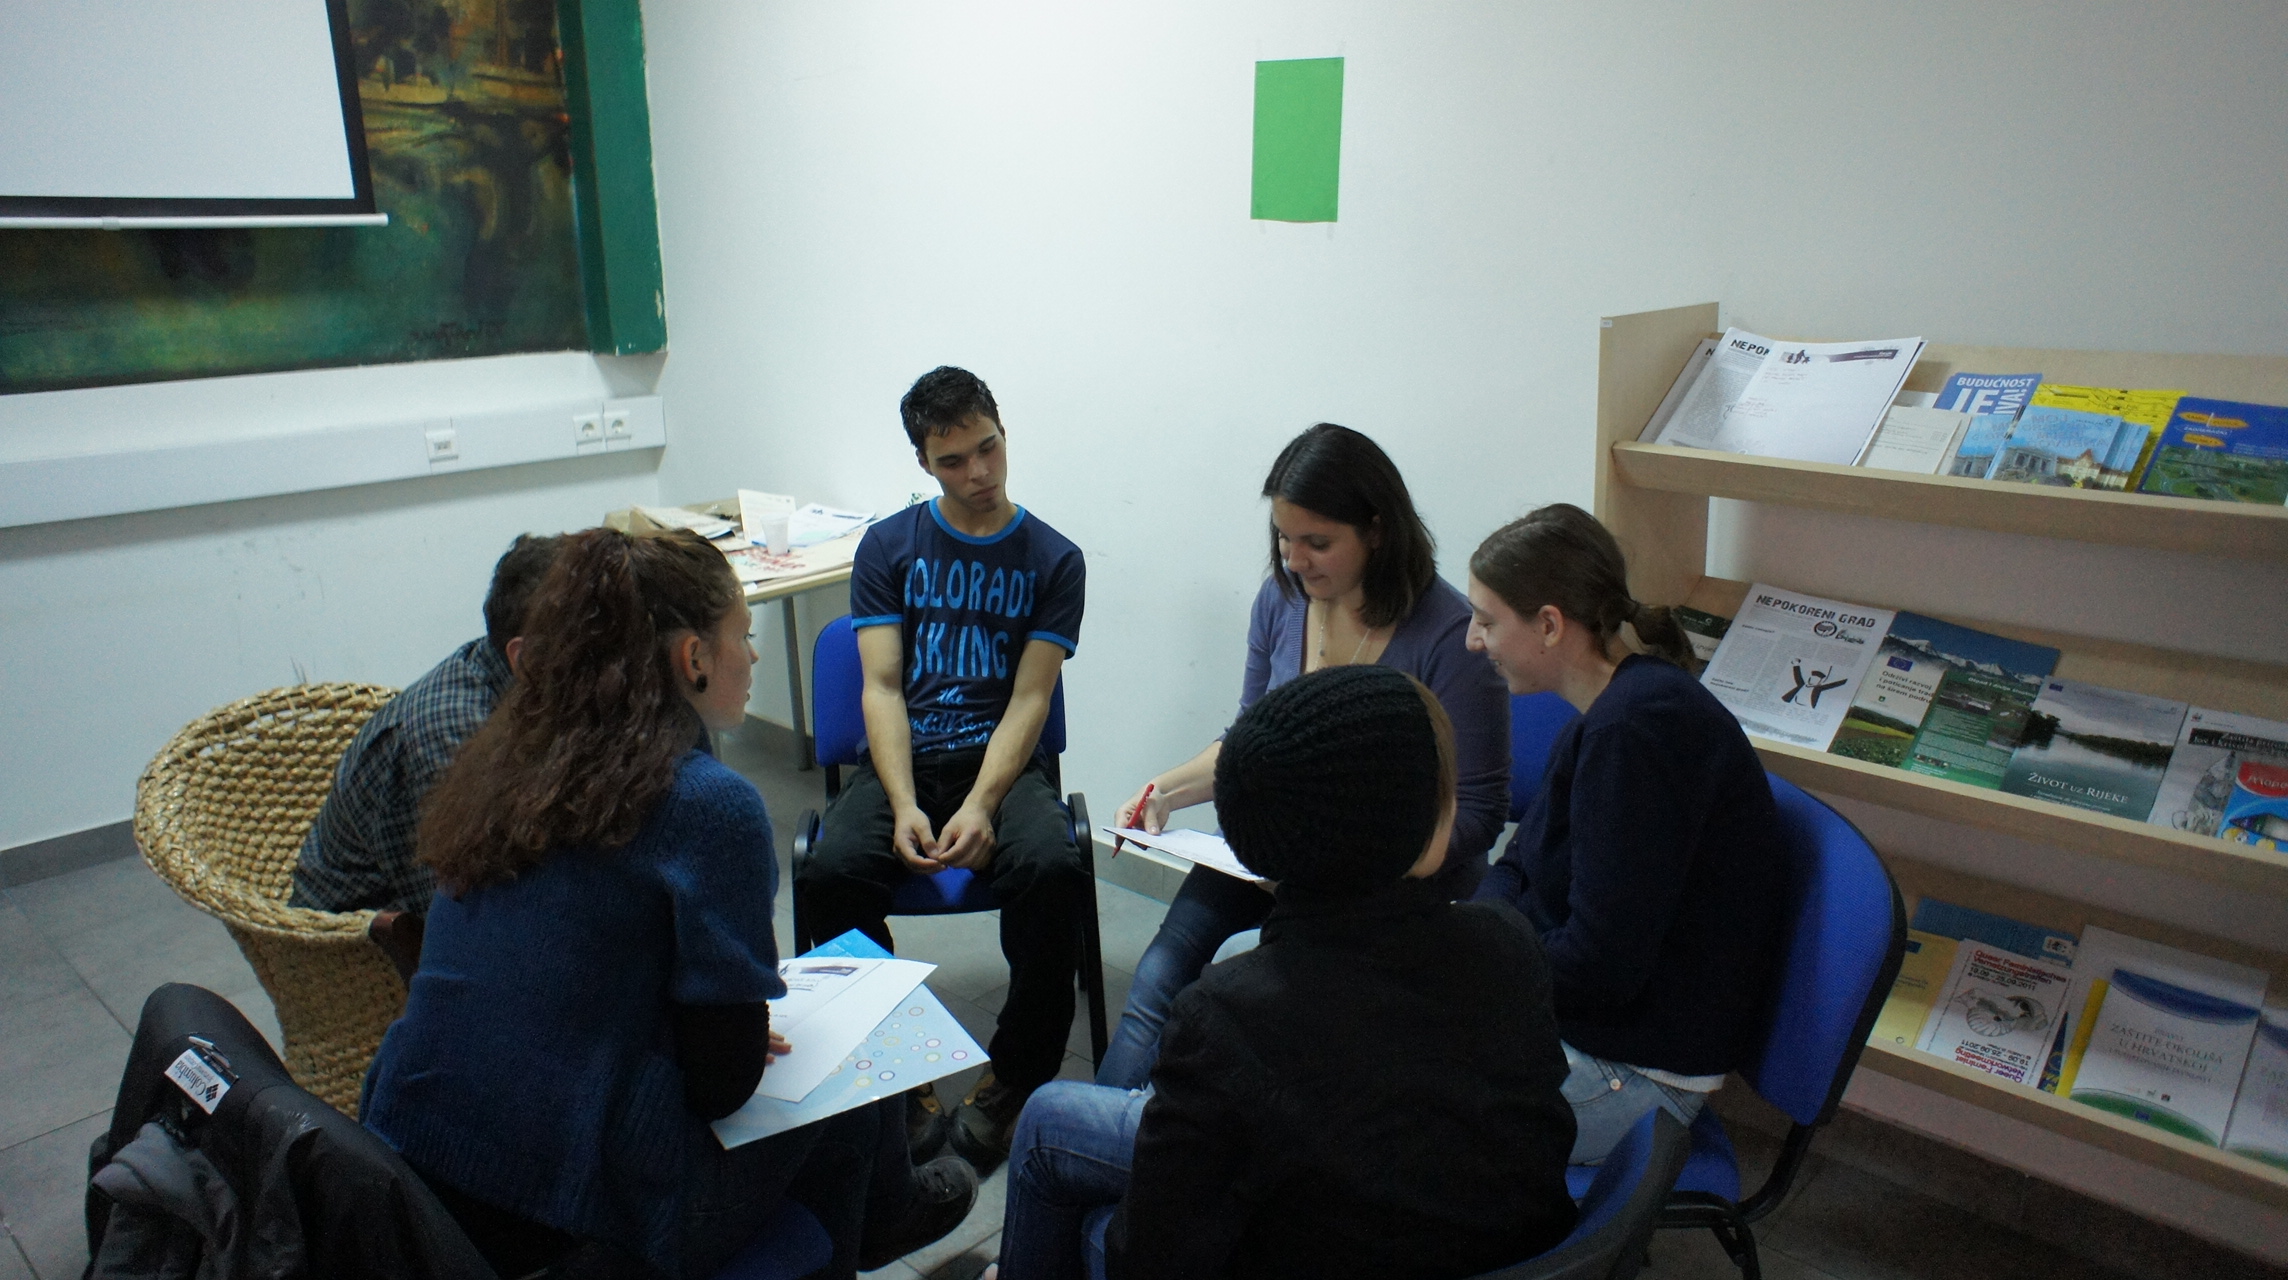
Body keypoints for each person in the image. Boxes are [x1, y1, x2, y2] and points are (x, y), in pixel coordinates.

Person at [360, 527, 976, 1280]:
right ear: (693, 658)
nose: (752, 658)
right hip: (569, 1218)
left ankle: (879, 1214)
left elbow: (571, 976)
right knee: (852, 1060)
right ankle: (881, 1218)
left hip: (416, 1172)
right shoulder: (707, 806)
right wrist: (730, 1033)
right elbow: (723, 1088)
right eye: (743, 637)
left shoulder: (502, 766)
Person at [991, 665, 1578, 1280]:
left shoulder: (1228, 1015)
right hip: (1519, 1259)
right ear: (1425, 824)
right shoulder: (1510, 944)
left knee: (1067, 1166)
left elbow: (1151, 1257)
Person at [1094, 423, 1509, 1090]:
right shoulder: (1283, 600)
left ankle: (1154, 1132)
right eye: (1284, 539)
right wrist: (1165, 790)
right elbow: (1250, 741)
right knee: (1159, 980)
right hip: (1272, 860)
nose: (1294, 560)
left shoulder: (1451, 637)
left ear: (1377, 531)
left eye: (1318, 543)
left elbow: (1479, 812)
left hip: (1387, 888)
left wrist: (1351, 862)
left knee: (1249, 1012)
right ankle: (1115, 1133)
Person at [795, 366, 1090, 1171]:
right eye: (953, 461)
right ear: (924, 462)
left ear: (1002, 431)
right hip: (904, 759)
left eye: (988, 448)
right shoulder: (888, 546)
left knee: (1053, 867)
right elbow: (882, 688)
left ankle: (1016, 1076)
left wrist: (985, 802)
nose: (979, 473)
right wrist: (901, 803)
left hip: (1003, 763)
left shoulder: (1055, 559)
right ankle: (896, 1068)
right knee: (829, 873)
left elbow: (1030, 699)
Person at [1465, 503, 1788, 1162]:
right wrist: (1476, 945)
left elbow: (1601, 968)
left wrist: (1478, 964)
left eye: (1487, 621)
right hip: (1576, 1022)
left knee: (1372, 1102)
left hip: (1632, 1071)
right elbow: (1517, 865)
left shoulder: (1637, 735)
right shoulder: (1606, 711)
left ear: (1549, 625)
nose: (1475, 640)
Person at [290, 532, 563, 917]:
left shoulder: (518, 680)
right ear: (525, 657)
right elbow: (462, 913)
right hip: (369, 935)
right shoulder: (455, 736)